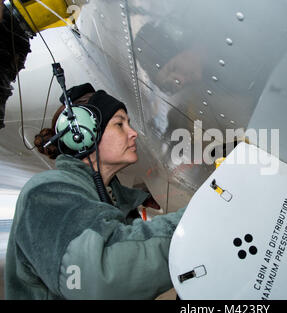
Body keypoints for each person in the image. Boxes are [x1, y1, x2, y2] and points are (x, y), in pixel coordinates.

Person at [4, 83, 185, 299]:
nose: (133, 133)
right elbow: (98, 278)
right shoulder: (46, 193)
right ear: (82, 134)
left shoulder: (111, 198)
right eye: (120, 124)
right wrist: (195, 222)